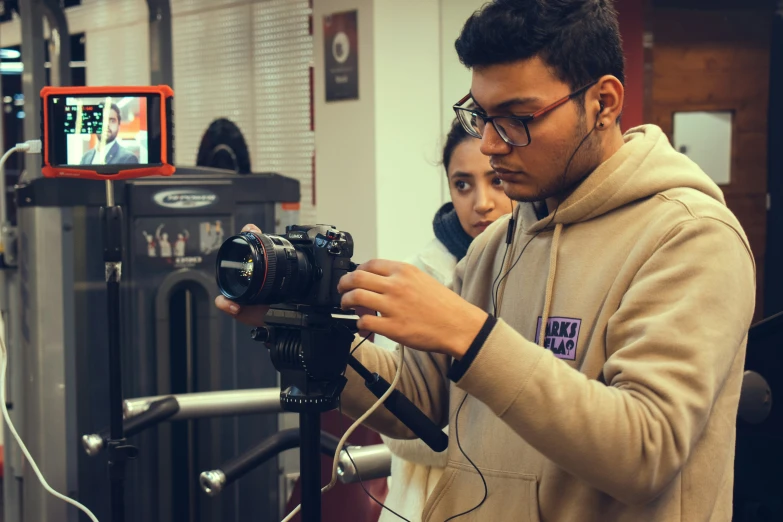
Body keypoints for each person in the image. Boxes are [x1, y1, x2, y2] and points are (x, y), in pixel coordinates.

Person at [216, 1, 756, 520]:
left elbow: (646, 452)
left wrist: (471, 335)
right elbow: (421, 405)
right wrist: (313, 331)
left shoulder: (690, 237)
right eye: (482, 115)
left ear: (604, 103)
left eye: (518, 118)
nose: (492, 145)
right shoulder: (497, 244)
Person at [372, 118, 512, 522]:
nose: (481, 202)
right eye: (462, 184)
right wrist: (509, 439)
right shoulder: (420, 277)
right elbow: (397, 433)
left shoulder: (536, 267)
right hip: (423, 506)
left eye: (496, 180)